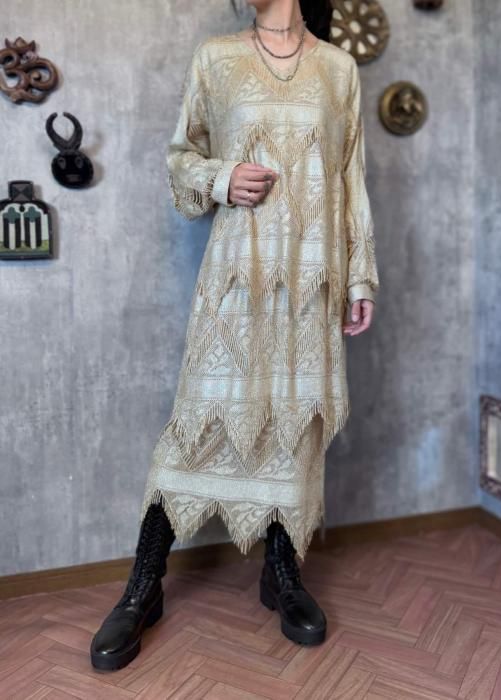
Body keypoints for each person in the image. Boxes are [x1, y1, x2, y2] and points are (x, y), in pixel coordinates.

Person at [90, 0, 379, 671]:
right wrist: (221, 178)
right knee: (197, 421)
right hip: (235, 277)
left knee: (293, 422)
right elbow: (180, 157)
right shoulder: (216, 58)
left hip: (311, 279)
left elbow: (349, 177)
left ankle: (282, 572)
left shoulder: (338, 69)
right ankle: (143, 586)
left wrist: (360, 278)